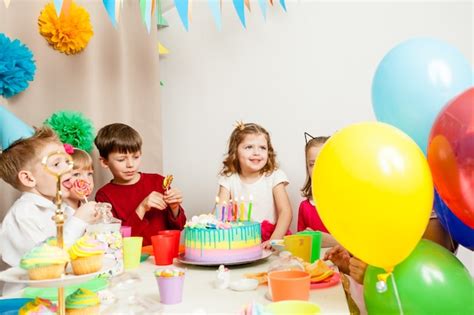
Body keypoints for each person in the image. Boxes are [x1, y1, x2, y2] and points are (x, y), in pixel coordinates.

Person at [0, 127, 98, 267]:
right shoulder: (22, 215)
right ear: (28, 178)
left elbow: (79, 249)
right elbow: (45, 264)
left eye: (67, 160)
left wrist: (97, 222)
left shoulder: (64, 208)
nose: (69, 168)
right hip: (31, 288)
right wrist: (79, 220)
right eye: (57, 163)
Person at [94, 123, 186, 246]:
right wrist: (142, 208)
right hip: (131, 261)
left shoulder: (158, 182)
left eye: (136, 157)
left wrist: (175, 208)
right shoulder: (104, 196)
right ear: (105, 162)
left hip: (163, 258)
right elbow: (116, 241)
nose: (130, 164)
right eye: (121, 159)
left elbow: (179, 226)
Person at [216, 122, 292, 247]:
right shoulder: (228, 179)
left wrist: (274, 240)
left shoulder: (274, 175)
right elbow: (220, 214)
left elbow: (286, 211)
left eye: (262, 148)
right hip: (239, 240)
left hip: (271, 238)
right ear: (235, 151)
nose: (257, 152)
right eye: (249, 147)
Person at [297, 134, 338, 248]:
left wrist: (329, 241)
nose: (318, 167)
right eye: (312, 164)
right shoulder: (305, 207)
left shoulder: (346, 203)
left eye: (324, 161)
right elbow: (301, 246)